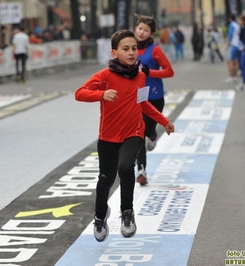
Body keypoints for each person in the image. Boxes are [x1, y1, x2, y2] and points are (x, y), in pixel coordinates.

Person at [75, 30, 175, 242]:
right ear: (114, 53)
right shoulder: (104, 76)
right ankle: (100, 216)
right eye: (125, 49)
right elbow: (80, 93)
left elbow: (144, 103)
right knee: (105, 180)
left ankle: (127, 213)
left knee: (126, 167)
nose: (131, 53)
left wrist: (164, 121)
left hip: (133, 133)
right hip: (108, 137)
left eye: (134, 48)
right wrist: (100, 94)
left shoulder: (140, 76)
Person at [134, 14, 174, 185]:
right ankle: (141, 170)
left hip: (155, 97)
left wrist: (151, 73)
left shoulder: (155, 50)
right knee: (139, 134)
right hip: (137, 98)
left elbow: (169, 71)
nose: (141, 32)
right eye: (140, 28)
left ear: (151, 33)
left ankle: (153, 135)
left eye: (146, 30)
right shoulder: (130, 46)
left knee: (148, 131)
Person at [224, 15, 241, 83]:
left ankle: (231, 77)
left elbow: (230, 35)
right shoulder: (237, 25)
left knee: (229, 61)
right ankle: (235, 76)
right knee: (235, 61)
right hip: (237, 44)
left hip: (233, 44)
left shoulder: (231, 25)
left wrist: (228, 44)